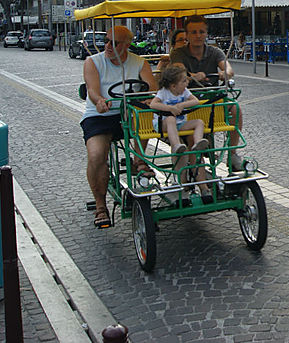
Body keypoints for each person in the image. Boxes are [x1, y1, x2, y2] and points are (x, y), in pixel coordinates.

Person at [81, 25, 158, 228]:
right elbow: (92, 90)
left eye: (114, 42)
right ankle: (100, 206)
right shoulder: (93, 62)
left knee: (144, 114)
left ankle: (138, 160)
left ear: (127, 45)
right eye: (106, 40)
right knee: (97, 155)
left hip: (129, 111)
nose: (108, 45)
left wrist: (148, 97)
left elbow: (152, 86)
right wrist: (99, 101)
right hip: (101, 114)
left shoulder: (139, 62)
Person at [170, 15, 243, 172]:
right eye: (193, 32)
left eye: (201, 32)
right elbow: (178, 70)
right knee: (192, 139)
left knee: (235, 107)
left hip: (211, 101)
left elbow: (228, 68)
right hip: (189, 103)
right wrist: (190, 76)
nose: (198, 35)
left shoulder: (214, 52)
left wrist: (226, 73)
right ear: (187, 35)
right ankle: (198, 173)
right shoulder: (178, 53)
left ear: (206, 33)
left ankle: (232, 153)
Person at [149, 64, 211, 197]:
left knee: (199, 122)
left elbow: (195, 101)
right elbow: (153, 104)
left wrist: (182, 104)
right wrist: (169, 109)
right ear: (173, 86)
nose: (187, 82)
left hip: (180, 123)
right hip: (164, 123)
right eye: (184, 81)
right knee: (170, 119)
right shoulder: (164, 92)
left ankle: (198, 142)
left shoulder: (184, 92)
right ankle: (176, 144)